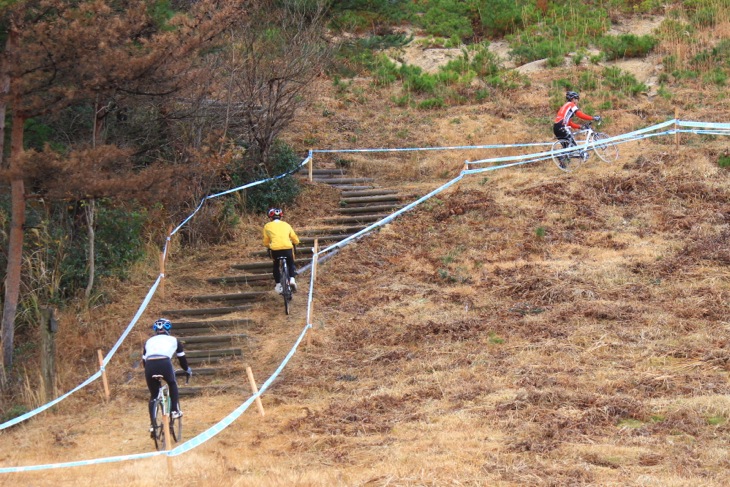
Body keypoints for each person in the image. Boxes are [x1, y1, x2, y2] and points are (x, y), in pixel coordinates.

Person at [143, 318, 191, 435]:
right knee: (172, 383)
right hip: (164, 362)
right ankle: (174, 410)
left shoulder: (148, 341)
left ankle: (153, 425)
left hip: (149, 365)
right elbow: (182, 359)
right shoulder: (174, 340)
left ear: (155, 330)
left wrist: (150, 373)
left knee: (154, 395)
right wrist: (187, 370)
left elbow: (144, 361)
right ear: (168, 329)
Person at [553, 91, 601, 166]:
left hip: (556, 127)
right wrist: (593, 118)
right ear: (573, 99)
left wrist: (580, 126)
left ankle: (563, 165)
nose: (577, 101)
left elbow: (569, 123)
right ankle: (560, 155)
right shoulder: (571, 105)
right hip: (562, 126)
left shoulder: (565, 107)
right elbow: (579, 114)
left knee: (568, 148)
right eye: (577, 99)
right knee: (573, 146)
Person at [263, 207, 300, 294]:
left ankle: (278, 285)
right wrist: (295, 243)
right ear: (281, 216)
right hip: (287, 248)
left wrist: (269, 246)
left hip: (275, 250)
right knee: (290, 263)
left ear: (270, 217)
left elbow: (266, 241)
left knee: (276, 265)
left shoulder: (267, 226)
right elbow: (295, 238)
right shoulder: (286, 225)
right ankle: (292, 279)